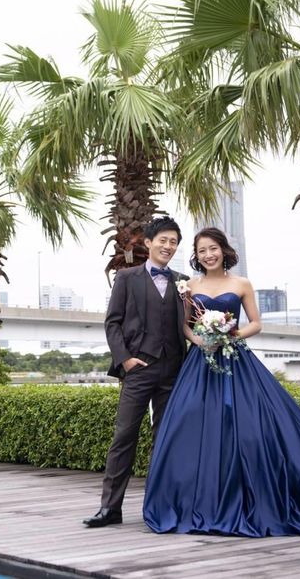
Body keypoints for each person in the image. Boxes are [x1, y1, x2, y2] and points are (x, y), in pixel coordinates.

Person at [143, 227, 300, 537]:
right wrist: (200, 339)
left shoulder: (241, 283)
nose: (208, 255)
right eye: (202, 251)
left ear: (223, 250)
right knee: (189, 424)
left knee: (250, 427)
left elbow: (256, 324)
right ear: (196, 256)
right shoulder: (189, 286)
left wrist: (230, 334)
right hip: (201, 362)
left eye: (213, 248)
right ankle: (194, 500)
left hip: (236, 359)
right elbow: (185, 326)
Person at [83, 216, 189, 528]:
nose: (168, 246)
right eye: (163, 240)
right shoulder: (127, 277)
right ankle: (110, 509)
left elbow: (190, 323)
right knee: (124, 436)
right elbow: (113, 322)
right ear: (148, 242)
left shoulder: (183, 281)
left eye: (173, 242)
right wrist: (126, 360)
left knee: (166, 439)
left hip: (174, 370)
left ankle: (161, 507)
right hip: (139, 368)